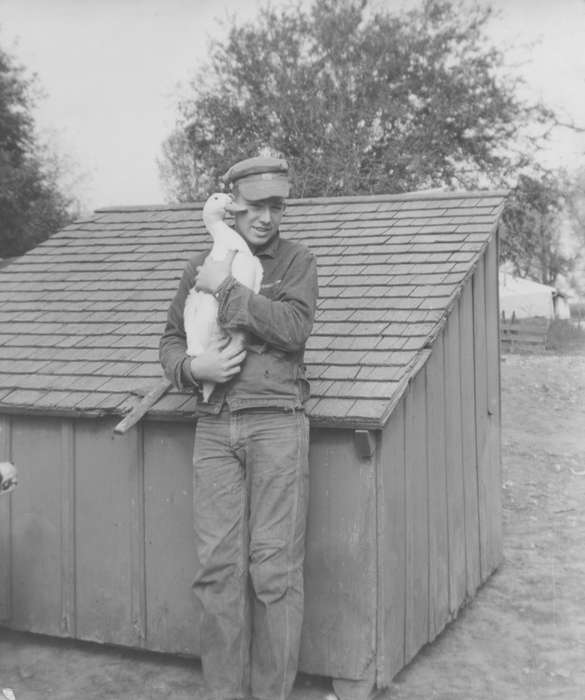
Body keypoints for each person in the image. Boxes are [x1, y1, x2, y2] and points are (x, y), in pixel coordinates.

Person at [159, 156, 319, 700]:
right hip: (213, 427)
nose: (267, 217)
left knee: (273, 572)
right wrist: (191, 369)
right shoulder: (201, 261)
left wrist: (226, 288)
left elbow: (293, 329)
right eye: (254, 206)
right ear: (231, 206)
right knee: (218, 572)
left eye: (276, 206)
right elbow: (170, 340)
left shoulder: (296, 262)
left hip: (277, 424)